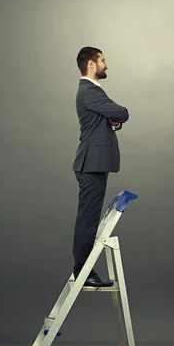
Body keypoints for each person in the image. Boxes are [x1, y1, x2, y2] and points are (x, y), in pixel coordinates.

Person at [71, 46, 130, 286]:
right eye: (103, 60)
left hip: (93, 163)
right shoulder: (90, 91)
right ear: (92, 64)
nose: (107, 65)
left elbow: (109, 118)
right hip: (90, 164)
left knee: (89, 218)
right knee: (88, 219)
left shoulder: (92, 92)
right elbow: (121, 112)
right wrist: (118, 114)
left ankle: (83, 271)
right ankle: (83, 273)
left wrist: (111, 119)